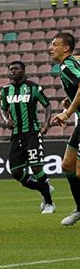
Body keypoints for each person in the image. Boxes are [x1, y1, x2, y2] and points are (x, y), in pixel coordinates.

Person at [0, 61, 55, 214]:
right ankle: (44, 188)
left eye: (16, 69)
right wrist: (6, 119)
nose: (12, 71)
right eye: (10, 69)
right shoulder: (5, 91)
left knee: (36, 167)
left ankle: (49, 203)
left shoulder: (33, 88)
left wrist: (46, 124)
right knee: (16, 172)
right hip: (16, 134)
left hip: (32, 133)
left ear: (23, 71)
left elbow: (47, 105)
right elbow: (3, 109)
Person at [50, 32, 80, 226]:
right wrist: (69, 100)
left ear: (66, 48)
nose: (51, 48)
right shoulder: (72, 62)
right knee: (68, 165)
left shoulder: (68, 65)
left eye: (55, 44)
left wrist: (67, 113)